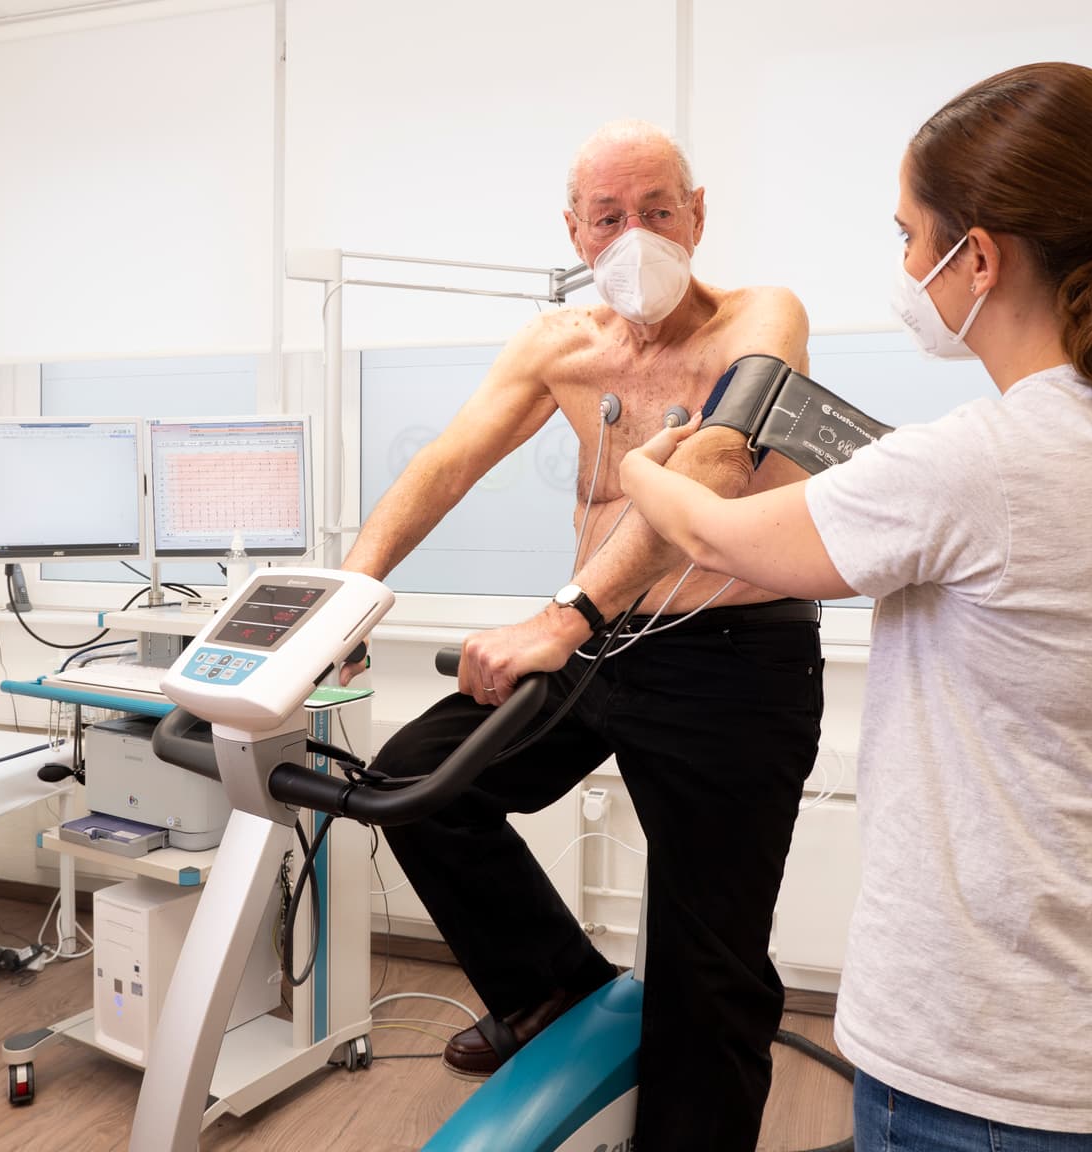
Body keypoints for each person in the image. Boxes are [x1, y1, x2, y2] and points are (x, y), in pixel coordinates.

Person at [619, 63, 1092, 1149]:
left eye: (910, 238)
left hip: (986, 1066)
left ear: (978, 256)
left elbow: (712, 533)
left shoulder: (979, 464)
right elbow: (995, 538)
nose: (905, 267)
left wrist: (644, 466)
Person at [337, 120, 825, 1148]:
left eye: (657, 209)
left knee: (710, 964)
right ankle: (553, 992)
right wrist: (348, 594)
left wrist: (564, 618)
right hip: (603, 643)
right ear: (574, 230)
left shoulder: (761, 316)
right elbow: (445, 466)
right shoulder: (560, 347)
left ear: (699, 215)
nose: (635, 233)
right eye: (609, 217)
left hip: (734, 660)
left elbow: (720, 466)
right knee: (414, 786)